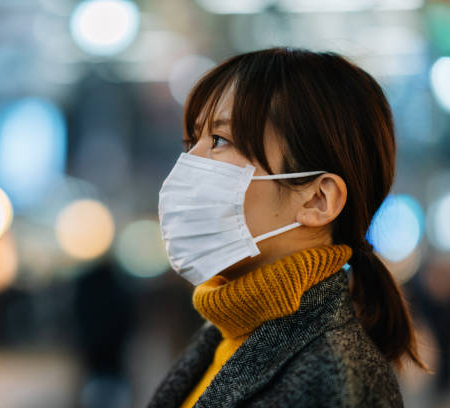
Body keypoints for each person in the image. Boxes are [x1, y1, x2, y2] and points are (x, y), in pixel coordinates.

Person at [149, 47, 427, 408]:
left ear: (317, 200)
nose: (189, 163)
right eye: (192, 141)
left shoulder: (336, 381)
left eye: (219, 141)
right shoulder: (223, 337)